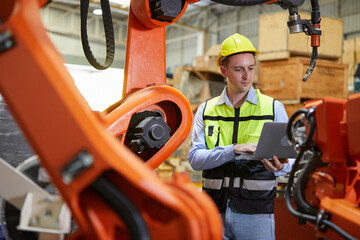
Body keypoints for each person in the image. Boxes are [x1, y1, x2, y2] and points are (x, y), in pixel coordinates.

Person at [188, 33, 294, 240]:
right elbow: (195, 159)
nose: (247, 76)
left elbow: (292, 159)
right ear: (223, 70)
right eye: (239, 69)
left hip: (256, 215)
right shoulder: (206, 110)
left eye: (251, 68)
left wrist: (282, 166)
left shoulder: (273, 108)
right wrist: (233, 149)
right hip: (212, 212)